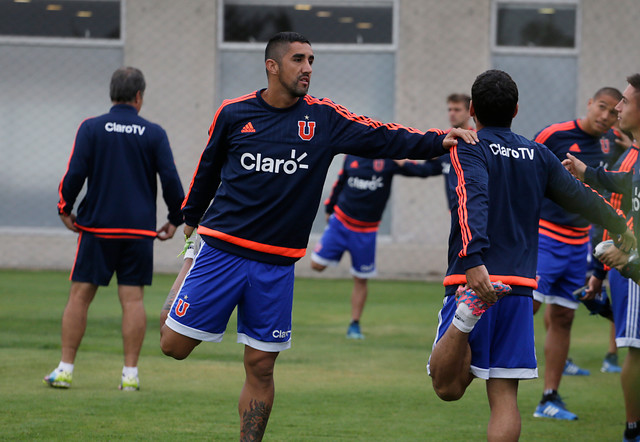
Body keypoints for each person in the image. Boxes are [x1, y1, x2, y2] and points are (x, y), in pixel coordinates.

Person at [158, 31, 477, 441]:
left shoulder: (324, 118)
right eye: (298, 60)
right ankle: (191, 257)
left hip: (276, 265)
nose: (308, 68)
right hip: (221, 249)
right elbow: (208, 168)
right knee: (173, 346)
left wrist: (437, 140)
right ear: (272, 66)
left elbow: (380, 134)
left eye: (311, 60)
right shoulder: (234, 113)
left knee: (261, 366)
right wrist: (191, 217)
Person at [427, 69, 634, 442]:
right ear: (517, 110)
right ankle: (467, 314)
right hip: (519, 288)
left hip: (472, 279)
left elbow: (471, 199)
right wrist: (621, 226)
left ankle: (465, 315)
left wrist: (474, 261)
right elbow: (583, 197)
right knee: (505, 396)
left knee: (448, 388)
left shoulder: (469, 146)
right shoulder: (536, 153)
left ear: (472, 110)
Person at [45, 67, 185, 391]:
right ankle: (130, 376)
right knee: (133, 301)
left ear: (112, 95)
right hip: (137, 232)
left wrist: (65, 207)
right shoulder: (154, 133)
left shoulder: (91, 128)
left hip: (97, 229)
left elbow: (75, 172)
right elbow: (170, 179)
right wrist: (176, 218)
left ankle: (65, 370)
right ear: (139, 97)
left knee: (79, 297)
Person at [531, 86, 623, 419]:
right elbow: (523, 170)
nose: (607, 116)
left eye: (614, 112)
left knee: (564, 317)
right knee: (526, 304)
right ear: (589, 103)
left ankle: (549, 398)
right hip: (544, 234)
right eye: (602, 107)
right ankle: (477, 353)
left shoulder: (612, 142)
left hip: (579, 241)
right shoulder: (555, 135)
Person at [562, 73, 640, 442]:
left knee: (636, 353)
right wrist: (586, 172)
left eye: (625, 101)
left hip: (633, 268)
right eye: (611, 103)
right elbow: (622, 190)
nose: (618, 109)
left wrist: (625, 262)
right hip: (629, 268)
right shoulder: (633, 158)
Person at [310, 156, 438, 339]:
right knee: (316, 266)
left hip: (366, 230)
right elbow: (340, 181)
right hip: (340, 222)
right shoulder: (351, 156)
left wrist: (430, 156)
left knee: (361, 279)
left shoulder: (389, 160)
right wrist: (329, 209)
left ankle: (354, 325)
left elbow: (425, 171)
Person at [420, 93, 474, 210]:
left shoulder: (477, 139)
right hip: (454, 211)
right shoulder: (442, 140)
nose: (452, 113)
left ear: (469, 112)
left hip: (476, 210)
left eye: (457, 110)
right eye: (450, 109)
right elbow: (428, 169)